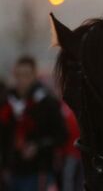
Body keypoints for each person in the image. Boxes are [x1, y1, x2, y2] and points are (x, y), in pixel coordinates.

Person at [0, 56, 68, 191]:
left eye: (26, 75)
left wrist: (38, 146)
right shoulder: (7, 100)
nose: (21, 80)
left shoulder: (47, 102)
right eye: (18, 75)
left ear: (34, 75)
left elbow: (62, 135)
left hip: (38, 171)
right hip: (11, 170)